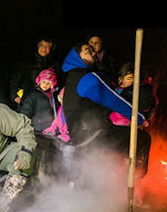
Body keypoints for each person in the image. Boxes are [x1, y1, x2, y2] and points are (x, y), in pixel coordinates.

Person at [61, 42, 151, 177]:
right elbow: (114, 100)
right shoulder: (87, 79)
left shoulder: (72, 78)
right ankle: (134, 174)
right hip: (95, 134)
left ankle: (114, 177)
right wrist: (139, 117)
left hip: (79, 135)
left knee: (92, 177)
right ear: (76, 57)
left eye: (93, 51)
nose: (93, 53)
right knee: (143, 138)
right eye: (87, 51)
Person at [9, 37, 62, 107]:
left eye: (47, 46)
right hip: (28, 102)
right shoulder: (27, 63)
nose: (43, 48)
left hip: (48, 103)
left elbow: (59, 83)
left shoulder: (55, 64)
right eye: (41, 45)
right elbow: (15, 81)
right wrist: (15, 97)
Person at [18, 67, 60, 134]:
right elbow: (27, 110)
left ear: (52, 85)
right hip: (38, 128)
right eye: (43, 82)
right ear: (39, 82)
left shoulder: (54, 95)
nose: (45, 85)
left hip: (52, 128)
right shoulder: (34, 94)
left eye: (48, 83)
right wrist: (22, 124)